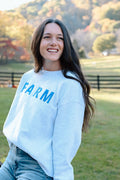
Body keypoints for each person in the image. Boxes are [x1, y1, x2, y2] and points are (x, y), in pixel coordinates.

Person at [0, 18, 94, 180]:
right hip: (11, 160)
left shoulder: (69, 85)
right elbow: (16, 118)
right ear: (37, 42)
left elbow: (65, 140)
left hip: (37, 168)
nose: (53, 42)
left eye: (60, 38)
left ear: (65, 45)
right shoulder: (28, 77)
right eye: (47, 37)